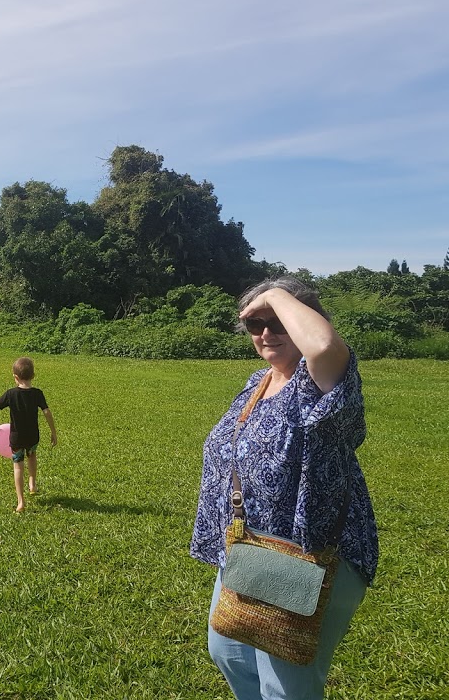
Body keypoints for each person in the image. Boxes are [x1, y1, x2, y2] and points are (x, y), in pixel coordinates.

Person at [190, 276, 379, 700]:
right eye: (256, 325)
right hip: (249, 549)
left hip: (308, 552)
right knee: (228, 651)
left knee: (285, 683)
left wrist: (274, 294)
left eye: (278, 321)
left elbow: (325, 347)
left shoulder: (319, 383)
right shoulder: (258, 382)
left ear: (305, 320)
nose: (266, 333)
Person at [0, 356, 58, 513]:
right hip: (33, 436)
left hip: (16, 438)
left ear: (15, 377)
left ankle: (21, 502)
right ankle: (32, 483)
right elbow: (47, 412)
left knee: (18, 467)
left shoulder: (10, 394)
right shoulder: (37, 393)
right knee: (32, 455)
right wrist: (53, 432)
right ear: (33, 376)